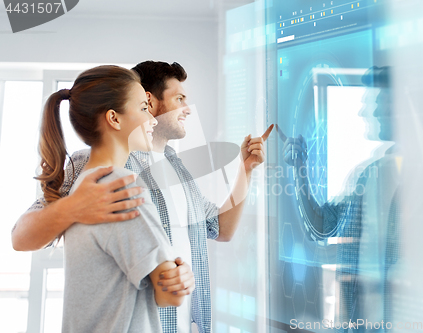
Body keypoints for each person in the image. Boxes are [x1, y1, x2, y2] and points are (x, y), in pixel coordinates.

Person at [12, 60, 272, 333]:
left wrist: (245, 170)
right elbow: (20, 236)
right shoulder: (98, 169)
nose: (187, 109)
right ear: (149, 100)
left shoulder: (176, 166)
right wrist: (73, 207)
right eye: (180, 98)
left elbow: (221, 229)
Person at [36, 65, 186, 332]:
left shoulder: (83, 184)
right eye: (143, 108)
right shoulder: (121, 189)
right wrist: (181, 277)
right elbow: (169, 294)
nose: (152, 119)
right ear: (114, 119)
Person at [280, 66, 401, 331]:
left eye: (377, 101)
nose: (366, 111)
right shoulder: (369, 175)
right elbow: (322, 224)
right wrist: (300, 168)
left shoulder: (420, 177)